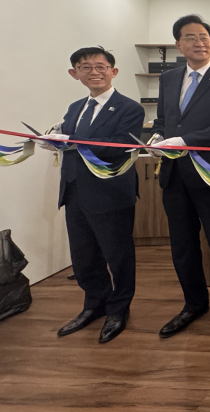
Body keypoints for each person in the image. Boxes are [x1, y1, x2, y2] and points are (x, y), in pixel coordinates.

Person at [35, 46, 144, 343]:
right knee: (83, 257)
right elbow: (70, 143)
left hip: (110, 194)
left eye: (100, 66)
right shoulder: (74, 108)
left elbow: (120, 145)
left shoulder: (129, 108)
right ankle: (95, 304)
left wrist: (72, 141)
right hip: (75, 192)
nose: (94, 72)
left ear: (113, 71)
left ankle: (119, 310)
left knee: (118, 256)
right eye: (85, 67)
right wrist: (53, 141)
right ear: (75, 74)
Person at [151, 15, 210, 339]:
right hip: (174, 175)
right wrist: (157, 137)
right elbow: (162, 120)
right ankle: (193, 304)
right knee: (183, 246)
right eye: (190, 37)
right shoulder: (168, 79)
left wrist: (183, 141)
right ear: (179, 44)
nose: (199, 42)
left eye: (204, 36)